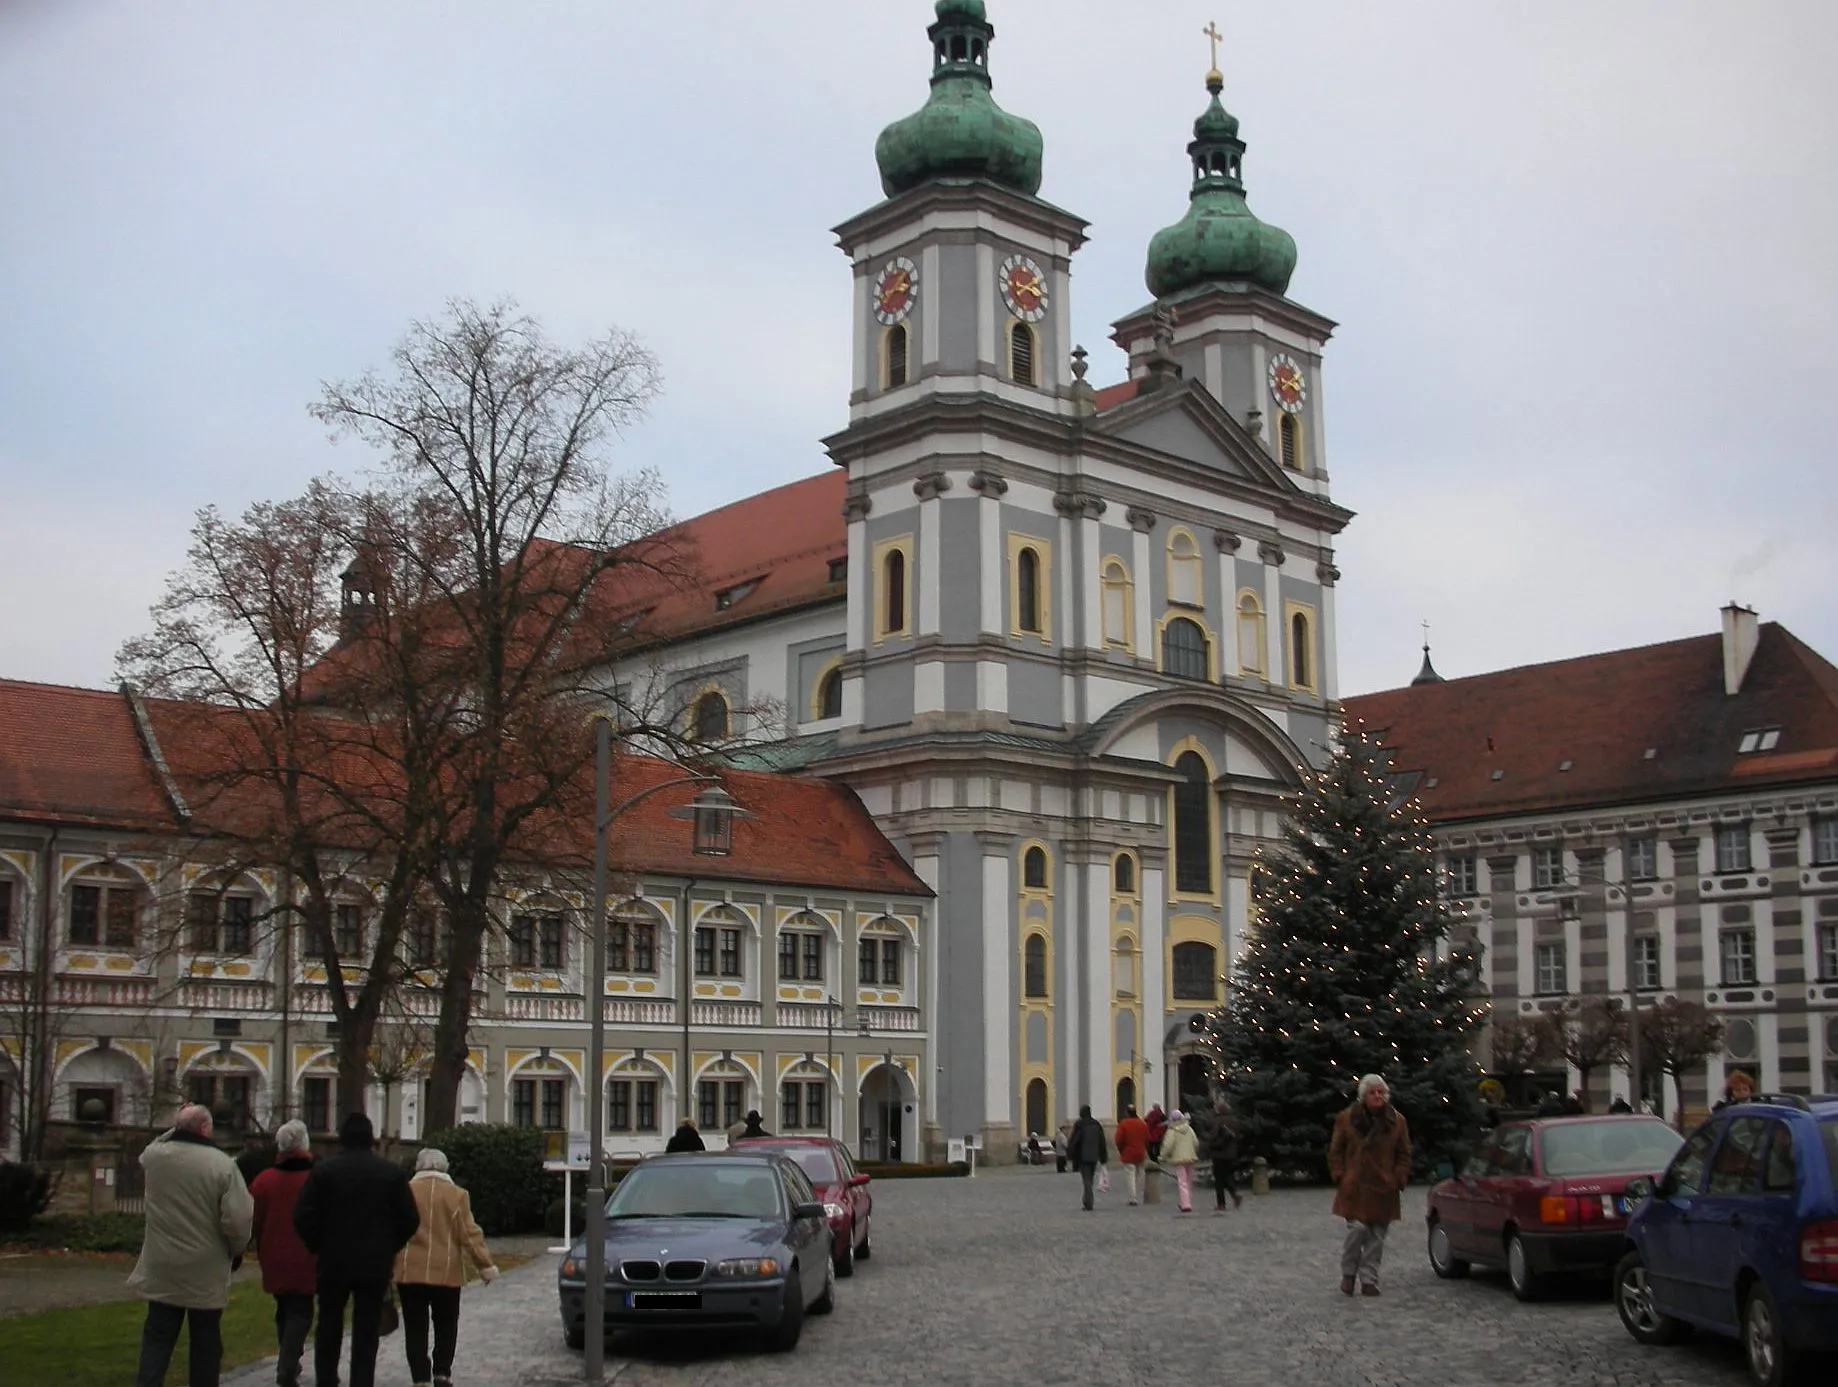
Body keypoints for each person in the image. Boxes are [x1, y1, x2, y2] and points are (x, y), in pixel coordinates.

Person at [128, 1103, 255, 1387]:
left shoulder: (156, 1157)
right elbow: (239, 1218)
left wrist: (178, 1126)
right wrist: (236, 1250)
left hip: (163, 1263)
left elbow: (152, 1145)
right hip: (205, 1265)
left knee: (158, 1339)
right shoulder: (222, 1164)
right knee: (206, 1341)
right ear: (205, 1128)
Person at [294, 1112, 420, 1387]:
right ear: (370, 1139)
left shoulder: (324, 1171)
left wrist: (318, 1244)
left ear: (342, 1139)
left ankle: (326, 1378)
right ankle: (362, 1380)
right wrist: (389, 1245)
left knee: (328, 1322)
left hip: (333, 1259)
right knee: (366, 1327)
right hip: (374, 1262)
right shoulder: (390, 1173)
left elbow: (302, 1215)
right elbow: (410, 1219)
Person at [394, 1148, 498, 1387]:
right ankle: (442, 1372)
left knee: (415, 1325)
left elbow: (393, 1229)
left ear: (418, 1167)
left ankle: (420, 1377)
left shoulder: (405, 1193)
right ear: (445, 1167)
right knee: (446, 1323)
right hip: (446, 1270)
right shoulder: (457, 1195)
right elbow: (469, 1234)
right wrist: (485, 1264)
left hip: (411, 1270)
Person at [1328, 1074, 1411, 1297]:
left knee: (1377, 1238)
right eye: (1373, 1092)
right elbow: (1336, 1151)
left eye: (1381, 1092)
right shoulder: (1346, 1119)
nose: (1377, 1096)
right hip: (1355, 1187)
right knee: (1358, 1229)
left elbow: (1404, 1154)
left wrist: (1399, 1177)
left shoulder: (1397, 1121)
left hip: (1385, 1187)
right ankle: (1348, 1274)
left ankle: (1369, 1280)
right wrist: (1340, 1175)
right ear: (1363, 1096)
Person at [249, 1120, 318, 1387]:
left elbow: (253, 1218)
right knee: (301, 1310)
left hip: (273, 1254)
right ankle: (287, 1364)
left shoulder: (264, 1180)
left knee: (284, 1306)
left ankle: (289, 1356)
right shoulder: (314, 1179)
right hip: (307, 1255)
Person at [1065, 1105, 1108, 1211]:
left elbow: (1074, 1140)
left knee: (1086, 1180)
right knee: (1090, 1178)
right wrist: (1103, 1156)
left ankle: (1088, 1202)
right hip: (1094, 1156)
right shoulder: (1096, 1124)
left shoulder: (1080, 1124)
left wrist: (1070, 1154)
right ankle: (1087, 1200)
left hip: (1082, 1156)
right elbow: (1102, 1142)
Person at [1205, 1099, 1244, 1213]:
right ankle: (1235, 1195)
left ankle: (1221, 1203)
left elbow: (1214, 1136)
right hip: (1231, 1154)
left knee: (1219, 1179)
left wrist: (1210, 1145)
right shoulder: (1234, 1120)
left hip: (1219, 1153)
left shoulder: (1218, 1121)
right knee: (1227, 1176)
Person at [1159, 1109, 1199, 1213]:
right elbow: (1196, 1142)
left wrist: (1162, 1157)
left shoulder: (1172, 1131)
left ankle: (1185, 1204)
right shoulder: (1189, 1128)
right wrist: (1193, 1151)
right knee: (1189, 1181)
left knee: (1182, 1182)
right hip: (1190, 1158)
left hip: (1179, 1159)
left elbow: (1167, 1146)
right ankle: (1188, 1201)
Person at [1113, 1106, 1149, 1205]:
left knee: (1130, 1176)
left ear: (1127, 1113)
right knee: (1139, 1175)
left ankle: (1133, 1198)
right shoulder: (1142, 1123)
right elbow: (1147, 1138)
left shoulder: (1124, 1123)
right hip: (1140, 1152)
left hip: (1128, 1153)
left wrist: (1121, 1150)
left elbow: (1118, 1139)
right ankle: (1138, 1194)